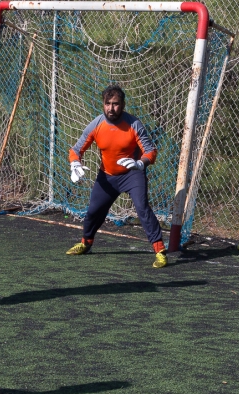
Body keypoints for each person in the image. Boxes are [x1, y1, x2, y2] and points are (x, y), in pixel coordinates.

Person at [65, 85, 168, 268]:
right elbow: (76, 149)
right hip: (107, 176)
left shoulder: (134, 124)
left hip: (132, 175)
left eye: (115, 104)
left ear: (123, 105)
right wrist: (74, 163)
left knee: (142, 208)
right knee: (93, 212)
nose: (111, 108)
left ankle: (160, 251)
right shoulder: (96, 125)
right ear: (103, 104)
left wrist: (140, 163)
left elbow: (150, 151)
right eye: (108, 104)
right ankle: (86, 243)